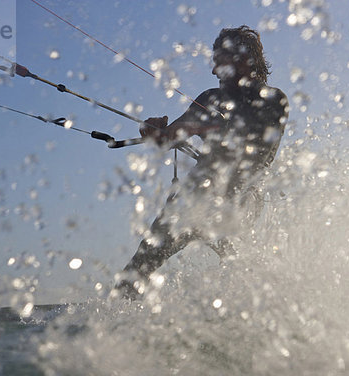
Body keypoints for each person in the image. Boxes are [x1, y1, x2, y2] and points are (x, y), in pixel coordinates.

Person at [114, 25, 288, 299]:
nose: (213, 70)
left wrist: (210, 127)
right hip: (193, 198)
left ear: (244, 59)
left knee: (243, 282)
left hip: (240, 201)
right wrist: (154, 132)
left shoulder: (274, 100)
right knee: (134, 274)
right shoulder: (210, 98)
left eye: (220, 61)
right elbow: (176, 133)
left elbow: (255, 150)